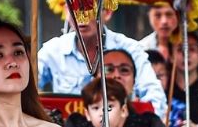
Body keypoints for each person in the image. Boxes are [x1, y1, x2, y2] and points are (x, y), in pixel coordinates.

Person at [37, 7, 167, 116]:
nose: (82, 17)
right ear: (66, 11)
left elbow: (154, 94)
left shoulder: (130, 48)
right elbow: (29, 86)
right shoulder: (52, 50)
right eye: (75, 9)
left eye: (89, 9)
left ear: (108, 12)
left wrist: (147, 126)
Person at [139, 1, 198, 78]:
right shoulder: (141, 48)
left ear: (179, 16)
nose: (164, 21)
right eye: (157, 15)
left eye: (169, 14)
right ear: (149, 16)